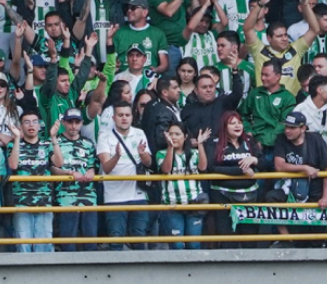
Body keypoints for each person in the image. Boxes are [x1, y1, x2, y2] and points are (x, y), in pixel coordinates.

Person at [267, 111, 327, 248]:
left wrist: (325, 196)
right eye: (286, 127)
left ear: (303, 128)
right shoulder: (281, 139)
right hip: (289, 189)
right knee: (271, 197)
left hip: (314, 189)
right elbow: (279, 165)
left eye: (292, 128)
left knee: (315, 237)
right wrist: (304, 168)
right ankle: (286, 238)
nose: (287, 131)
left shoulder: (316, 140)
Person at [243, 0, 319, 96]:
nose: (284, 39)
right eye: (279, 36)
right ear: (269, 38)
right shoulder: (259, 51)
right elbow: (247, 28)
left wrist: (305, 3)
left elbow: (315, 29)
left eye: (285, 35)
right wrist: (260, 4)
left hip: (291, 105)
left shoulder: (295, 49)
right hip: (265, 104)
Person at [96, 101, 152, 251]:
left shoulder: (139, 133)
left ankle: (141, 273)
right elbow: (106, 168)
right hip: (114, 196)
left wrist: (143, 154)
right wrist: (117, 156)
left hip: (138, 194)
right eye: (120, 115)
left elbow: (148, 163)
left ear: (132, 117)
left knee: (140, 238)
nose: (124, 118)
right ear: (113, 118)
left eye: (127, 115)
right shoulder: (104, 136)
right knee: (116, 239)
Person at [206, 112, 265, 248]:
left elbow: (265, 164)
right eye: (232, 123)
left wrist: (254, 159)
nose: (237, 126)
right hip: (223, 195)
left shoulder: (249, 142)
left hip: (250, 196)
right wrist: (240, 171)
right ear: (224, 126)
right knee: (228, 239)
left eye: (239, 122)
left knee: (249, 239)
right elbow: (211, 168)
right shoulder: (215, 143)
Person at [7, 112, 63, 253]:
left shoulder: (46, 145)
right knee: (23, 245)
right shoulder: (12, 145)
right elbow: (13, 165)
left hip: (44, 202)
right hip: (22, 202)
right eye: (26, 122)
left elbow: (59, 163)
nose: (31, 125)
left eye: (34, 121)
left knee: (44, 246)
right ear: (21, 126)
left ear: (39, 125)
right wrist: (17, 138)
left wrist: (53, 137)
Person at [156, 122, 209, 250]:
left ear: (185, 137)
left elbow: (203, 167)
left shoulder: (194, 153)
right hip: (172, 205)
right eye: (171, 134)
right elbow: (166, 169)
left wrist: (200, 144)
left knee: (193, 244)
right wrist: (170, 147)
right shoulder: (161, 153)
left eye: (177, 134)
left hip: (193, 204)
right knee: (177, 245)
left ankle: (194, 270)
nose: (173, 137)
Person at [51, 108, 97, 252]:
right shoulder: (55, 141)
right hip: (65, 198)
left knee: (91, 243)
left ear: (82, 123)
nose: (73, 126)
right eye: (70, 122)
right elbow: (52, 169)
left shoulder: (88, 143)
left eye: (77, 122)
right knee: (68, 243)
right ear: (63, 122)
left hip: (89, 198)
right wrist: (69, 173)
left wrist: (91, 171)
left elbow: (94, 166)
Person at [148, 0, 199, 74]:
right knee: (170, 83)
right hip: (168, 47)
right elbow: (168, 11)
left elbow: (194, 12)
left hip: (186, 45)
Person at [239, 60, 296, 159]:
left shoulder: (288, 97)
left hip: (278, 144)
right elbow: (242, 114)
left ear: (278, 76)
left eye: (266, 75)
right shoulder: (254, 93)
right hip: (254, 143)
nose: (262, 78)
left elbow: (284, 124)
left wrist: (264, 142)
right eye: (261, 74)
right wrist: (248, 131)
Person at [113, 0, 169, 74]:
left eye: (133, 8)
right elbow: (112, 61)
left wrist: (155, 71)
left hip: (148, 79)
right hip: (123, 79)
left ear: (145, 12)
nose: (129, 11)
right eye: (127, 8)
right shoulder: (120, 33)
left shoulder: (158, 34)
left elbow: (164, 64)